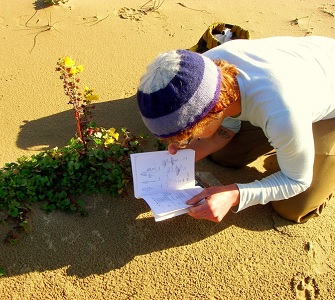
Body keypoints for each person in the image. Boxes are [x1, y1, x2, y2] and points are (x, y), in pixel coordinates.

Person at [136, 36, 335, 223]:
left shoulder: (282, 112)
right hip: (300, 76)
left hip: (326, 102)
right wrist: (190, 153)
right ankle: (292, 146)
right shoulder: (199, 71)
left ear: (215, 111)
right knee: (225, 156)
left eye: (190, 135)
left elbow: (297, 180)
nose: (187, 140)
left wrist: (235, 194)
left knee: (294, 205)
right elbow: (228, 125)